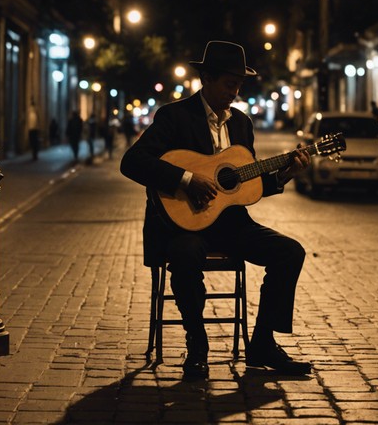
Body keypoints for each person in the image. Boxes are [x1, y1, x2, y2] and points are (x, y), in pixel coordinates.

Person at [120, 40, 312, 381]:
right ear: (206, 78)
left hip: (232, 225)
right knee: (184, 255)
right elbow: (132, 162)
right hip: (184, 225)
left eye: (239, 84)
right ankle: (197, 342)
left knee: (290, 252)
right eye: (228, 83)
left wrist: (284, 173)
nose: (235, 92)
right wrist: (186, 179)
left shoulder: (241, 124)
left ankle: (263, 344)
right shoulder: (174, 117)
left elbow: (245, 186)